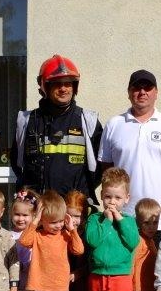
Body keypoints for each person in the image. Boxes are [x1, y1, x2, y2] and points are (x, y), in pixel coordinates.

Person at [100, 70, 161, 228]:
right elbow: (107, 169)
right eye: (136, 88)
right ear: (129, 93)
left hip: (160, 219)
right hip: (123, 217)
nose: (142, 92)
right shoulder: (114, 124)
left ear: (156, 93)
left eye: (147, 87)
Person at [13, 55, 103, 202]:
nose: (63, 89)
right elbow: (18, 164)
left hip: (74, 209)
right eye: (57, 84)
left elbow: (100, 168)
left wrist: (80, 198)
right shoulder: (27, 121)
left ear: (74, 86)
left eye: (68, 83)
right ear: (45, 87)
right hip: (38, 207)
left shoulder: (88, 121)